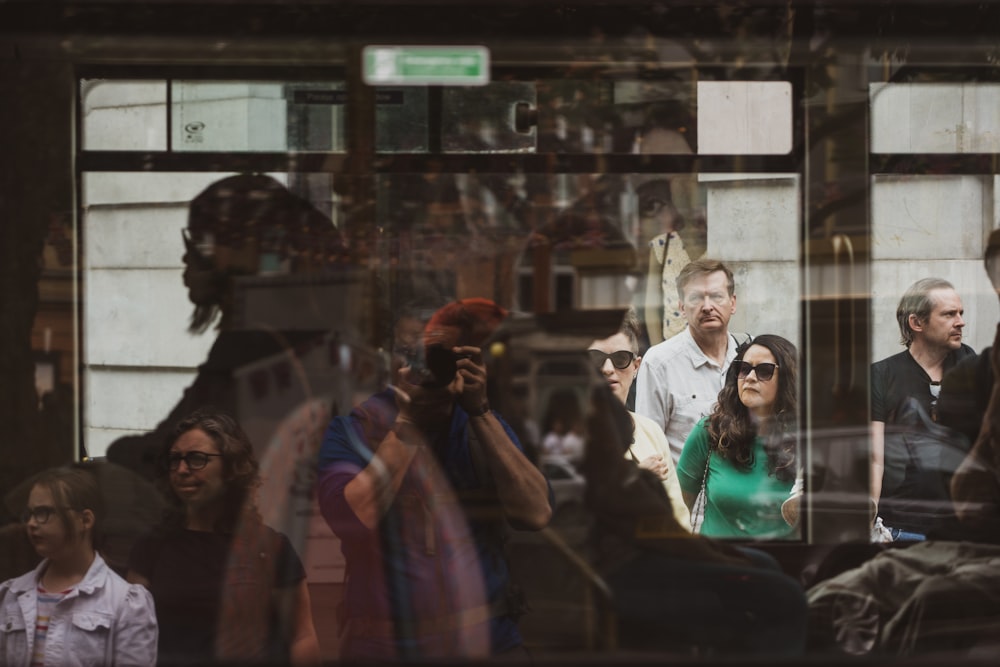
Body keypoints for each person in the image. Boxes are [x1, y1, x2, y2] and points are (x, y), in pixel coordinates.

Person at [317, 298, 552, 660]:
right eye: (411, 352)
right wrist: (408, 423)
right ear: (391, 359)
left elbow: (536, 514)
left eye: (436, 353)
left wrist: (480, 411)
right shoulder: (357, 429)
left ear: (464, 357)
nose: (423, 364)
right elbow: (352, 521)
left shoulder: (480, 425)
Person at [107, 173, 348, 481]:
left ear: (244, 253)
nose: (188, 255)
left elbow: (177, 451)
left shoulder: (255, 343)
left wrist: (120, 453)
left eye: (203, 243)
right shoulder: (289, 335)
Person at [127, 409, 320, 665]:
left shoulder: (271, 547)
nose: (182, 469)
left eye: (197, 458)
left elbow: (302, 637)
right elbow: (131, 633)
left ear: (231, 468)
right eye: (175, 460)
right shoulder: (151, 546)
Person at [0, 465, 157, 666]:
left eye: (43, 513)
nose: (31, 523)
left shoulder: (125, 603)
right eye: (29, 514)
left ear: (85, 520)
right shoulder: (10, 595)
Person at [871, 277, 975, 541]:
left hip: (961, 528)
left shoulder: (970, 365)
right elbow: (874, 458)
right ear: (917, 323)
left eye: (961, 313)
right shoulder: (882, 375)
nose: (960, 321)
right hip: (900, 526)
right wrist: (870, 522)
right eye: (949, 314)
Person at [676, 334, 799, 539]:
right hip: (718, 564)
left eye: (764, 371)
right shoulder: (710, 431)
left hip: (782, 566)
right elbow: (678, 508)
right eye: (744, 368)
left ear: (788, 379)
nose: (750, 377)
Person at [635, 258, 746, 464]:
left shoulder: (749, 360)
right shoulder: (659, 363)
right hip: (685, 495)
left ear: (733, 303)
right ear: (681, 307)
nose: (707, 306)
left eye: (716, 296)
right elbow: (649, 449)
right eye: (696, 298)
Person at [587, 309, 689, 528]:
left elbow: (679, 518)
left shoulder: (650, 430)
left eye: (620, 359)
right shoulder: (569, 432)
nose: (607, 369)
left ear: (636, 367)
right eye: (596, 360)